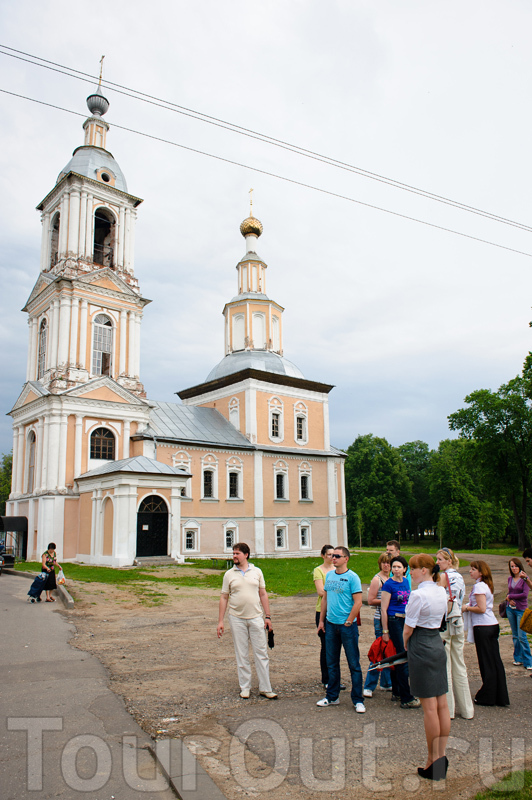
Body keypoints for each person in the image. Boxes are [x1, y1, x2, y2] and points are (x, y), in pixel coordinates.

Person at [404, 554, 450, 781]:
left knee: (430, 708)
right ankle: (441, 756)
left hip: (421, 644)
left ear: (424, 570)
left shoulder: (418, 594)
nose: (410, 572)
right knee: (442, 705)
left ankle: (433, 760)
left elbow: (408, 628)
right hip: (436, 643)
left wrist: (406, 644)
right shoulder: (441, 590)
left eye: (412, 569)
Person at [217, 543, 277, 699]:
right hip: (236, 617)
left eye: (237, 553)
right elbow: (224, 597)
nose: (234, 556)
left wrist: (268, 616)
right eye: (233, 553)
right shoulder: (229, 574)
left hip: (256, 617)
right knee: (241, 653)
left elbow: (263, 594)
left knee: (261, 653)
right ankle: (245, 687)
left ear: (246, 555)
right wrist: (220, 621)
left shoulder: (256, 572)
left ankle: (265, 687)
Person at [316, 547, 366, 713]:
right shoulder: (329, 575)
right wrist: (322, 621)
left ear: (346, 559)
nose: (333, 558)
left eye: (337, 556)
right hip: (331, 624)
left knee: (353, 663)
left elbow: (358, 601)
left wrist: (349, 620)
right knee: (332, 662)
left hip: (346, 626)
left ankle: (358, 700)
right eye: (332, 556)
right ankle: (332, 696)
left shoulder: (352, 577)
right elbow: (325, 599)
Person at [463, 560, 509, 707]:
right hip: (491, 624)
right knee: (494, 661)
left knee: (486, 662)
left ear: (481, 572)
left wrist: (467, 608)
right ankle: (499, 695)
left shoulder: (479, 586)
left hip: (483, 625)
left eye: (473, 569)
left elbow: (481, 608)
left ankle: (487, 695)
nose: (470, 571)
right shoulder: (486, 585)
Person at [435, 548, 474, 720]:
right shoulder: (459, 577)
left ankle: (448, 710)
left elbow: (438, 600)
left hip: (445, 624)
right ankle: (467, 710)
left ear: (449, 561)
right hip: (458, 622)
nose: (437, 562)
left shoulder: (443, 577)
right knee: (460, 665)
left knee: (446, 667)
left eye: (440, 559)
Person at [381, 555, 420, 709]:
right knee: (403, 655)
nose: (396, 569)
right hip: (394, 620)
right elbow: (383, 609)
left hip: (406, 620)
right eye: (394, 567)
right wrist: (385, 631)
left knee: (401, 656)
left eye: (399, 567)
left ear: (405, 569)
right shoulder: (388, 585)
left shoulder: (405, 582)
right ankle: (406, 697)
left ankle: (397, 691)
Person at [363, 553, 392, 697]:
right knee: (379, 651)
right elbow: (370, 600)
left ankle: (386, 682)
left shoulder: (392, 578)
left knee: (390, 651)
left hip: (391, 618)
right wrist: (387, 600)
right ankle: (369, 685)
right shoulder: (377, 579)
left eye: (389, 563)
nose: (386, 565)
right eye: (384, 563)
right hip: (380, 618)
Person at [313, 544, 336, 687]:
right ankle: (326, 679)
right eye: (329, 555)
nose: (332, 557)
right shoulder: (319, 570)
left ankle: (335, 678)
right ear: (323, 556)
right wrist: (338, 592)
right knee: (326, 645)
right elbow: (321, 592)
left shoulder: (337, 570)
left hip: (336, 610)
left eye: (334, 555)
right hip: (322, 610)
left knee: (336, 646)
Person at [505, 558, 532, 670]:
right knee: (515, 635)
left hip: (521, 609)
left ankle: (528, 660)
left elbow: (524, 594)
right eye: (512, 566)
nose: (514, 568)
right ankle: (518, 658)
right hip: (510, 609)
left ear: (520, 566)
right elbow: (509, 592)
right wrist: (508, 598)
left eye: (516, 566)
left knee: (522, 636)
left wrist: (510, 596)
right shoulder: (510, 579)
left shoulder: (524, 579)